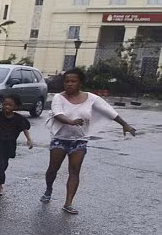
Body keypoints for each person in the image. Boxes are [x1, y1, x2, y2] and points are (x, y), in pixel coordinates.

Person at [42, 68, 137, 214]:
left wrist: (125, 124)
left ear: (80, 83)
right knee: (52, 169)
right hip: (59, 139)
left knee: (74, 171)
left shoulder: (91, 98)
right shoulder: (58, 98)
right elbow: (58, 114)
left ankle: (68, 203)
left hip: (79, 141)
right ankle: (49, 189)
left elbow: (109, 111)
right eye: (67, 81)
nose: (69, 84)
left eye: (73, 81)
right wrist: (71, 121)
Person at [0, 94, 33, 196]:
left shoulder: (18, 118)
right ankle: (0, 186)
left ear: (15, 107)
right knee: (0, 163)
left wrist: (29, 139)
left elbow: (25, 128)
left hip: (11, 144)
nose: (7, 107)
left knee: (5, 163)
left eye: (10, 105)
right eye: (5, 104)